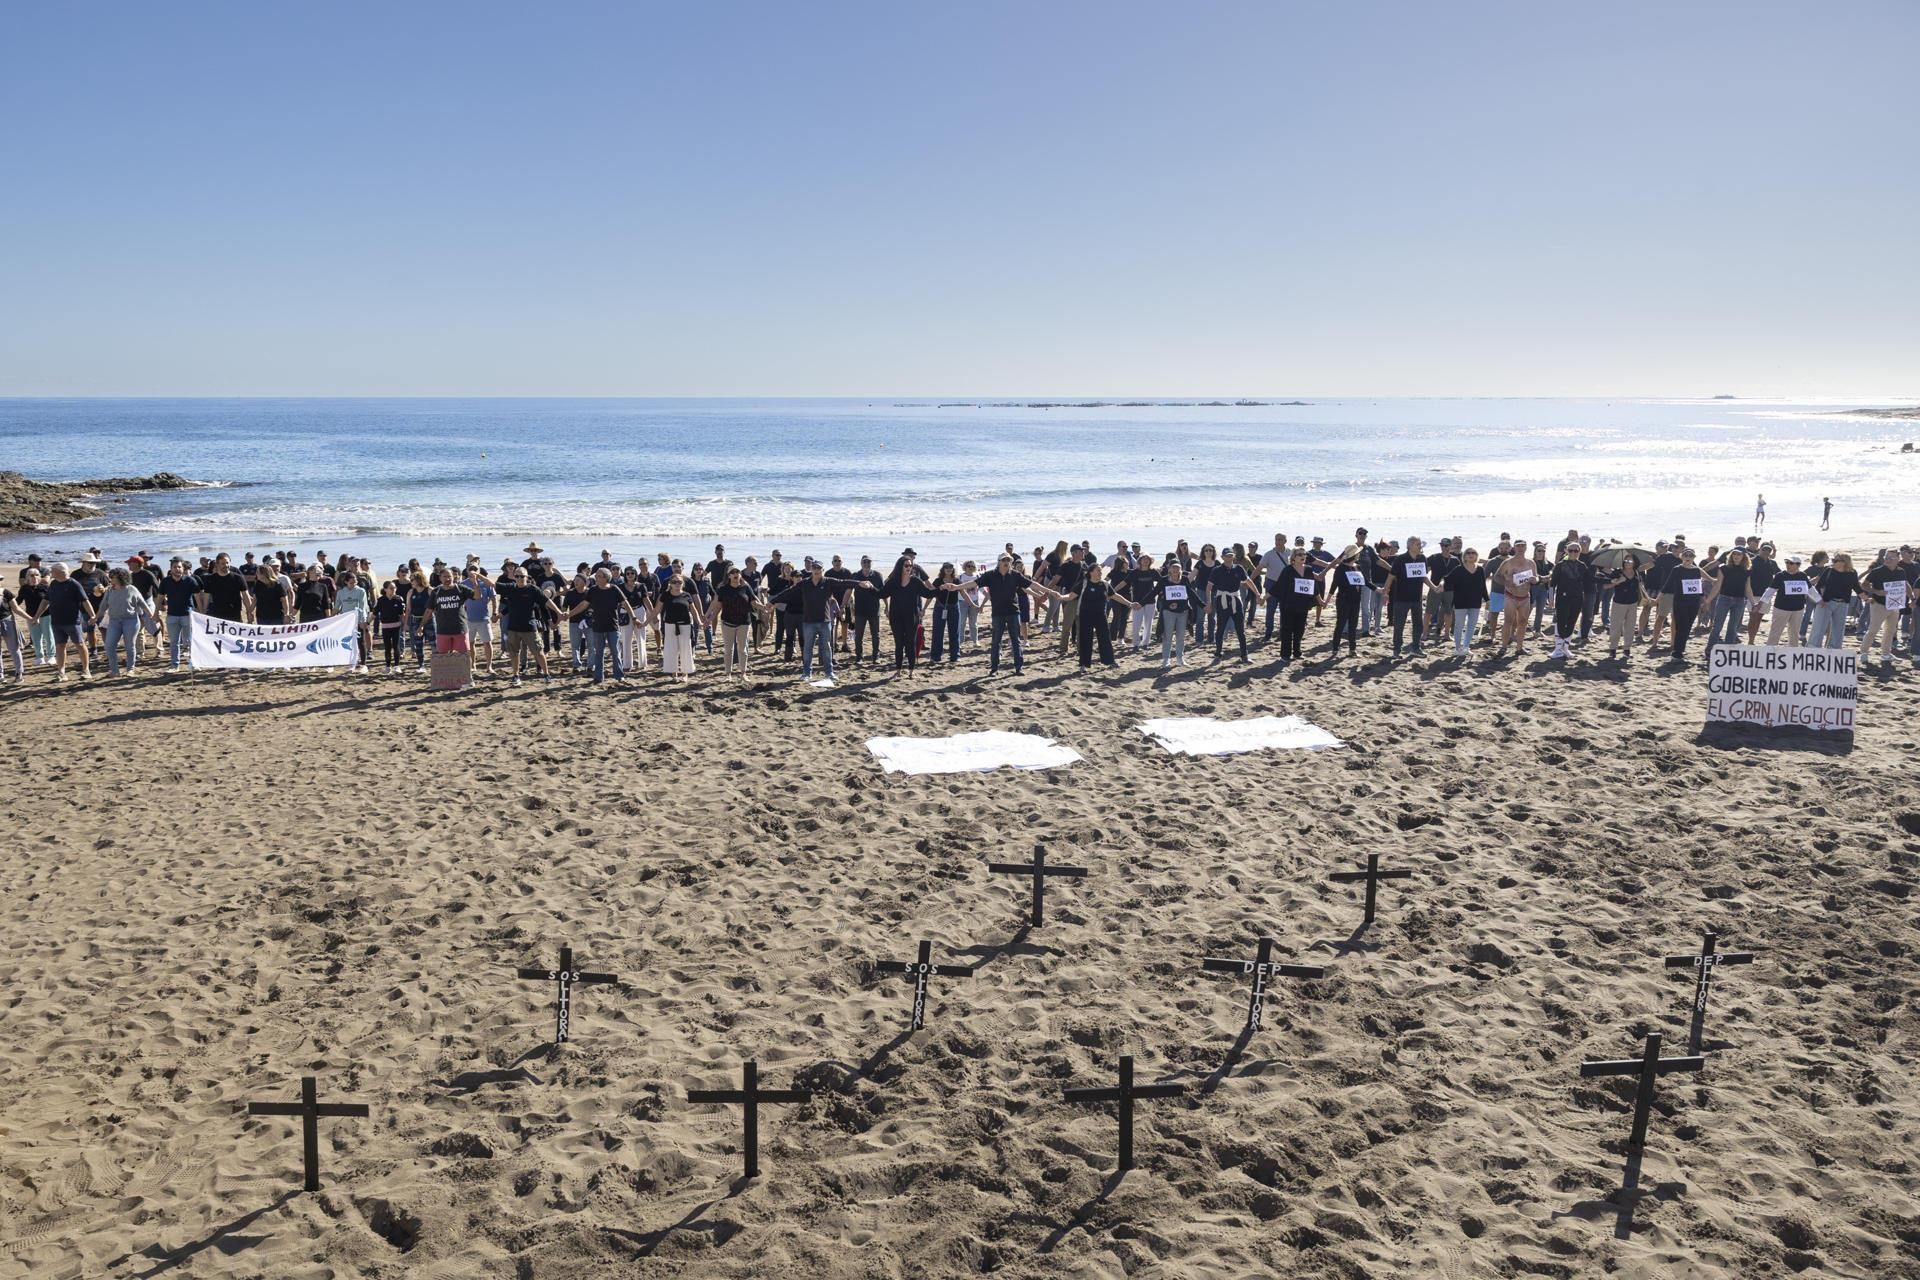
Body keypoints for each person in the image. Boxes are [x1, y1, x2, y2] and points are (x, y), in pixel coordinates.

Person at [975, 554, 1037, 675]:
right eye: (1004, 560)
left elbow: (1031, 584)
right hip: (997, 613)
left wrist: (1048, 591)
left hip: (1013, 612)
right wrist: (957, 587)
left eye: (1008, 560)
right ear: (999, 562)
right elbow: (974, 583)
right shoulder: (990, 575)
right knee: (996, 641)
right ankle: (994, 668)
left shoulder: (1015, 575)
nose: (1006, 562)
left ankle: (1019, 667)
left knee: (1016, 641)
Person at [498, 563, 558, 686]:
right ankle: (516, 675)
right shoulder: (511, 589)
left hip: (530, 627)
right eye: (517, 576)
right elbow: (508, 605)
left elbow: (546, 603)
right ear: (514, 577)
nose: (519, 578)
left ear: (527, 577)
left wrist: (557, 613)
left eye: (522, 576)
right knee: (514, 653)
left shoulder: (533, 590)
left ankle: (546, 674)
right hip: (513, 628)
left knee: (538, 651)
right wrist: (478, 576)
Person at [36, 562, 95, 682]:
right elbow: (46, 601)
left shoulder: (74, 584)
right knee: (60, 645)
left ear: (60, 572)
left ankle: (86, 670)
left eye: (53, 570)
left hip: (72, 621)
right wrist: (37, 615)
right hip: (56, 621)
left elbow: (85, 601)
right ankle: (61, 672)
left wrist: (92, 615)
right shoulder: (53, 584)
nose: (50, 573)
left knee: (80, 644)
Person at [99, 567, 155, 678]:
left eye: (113, 577)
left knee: (130, 646)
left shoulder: (131, 589)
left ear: (121, 578)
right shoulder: (110, 590)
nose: (110, 579)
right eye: (110, 577)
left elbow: (142, 602)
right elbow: (103, 605)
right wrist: (95, 617)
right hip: (114, 621)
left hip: (130, 620)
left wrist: (150, 614)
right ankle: (115, 671)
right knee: (109, 646)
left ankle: (130, 669)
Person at [708, 565, 760, 680]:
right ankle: (728, 674)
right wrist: (710, 619)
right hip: (727, 622)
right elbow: (718, 606)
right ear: (729, 576)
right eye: (733, 572)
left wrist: (764, 608)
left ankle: (743, 673)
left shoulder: (745, 587)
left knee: (743, 649)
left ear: (740, 575)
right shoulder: (723, 589)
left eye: (737, 572)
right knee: (728, 650)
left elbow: (753, 602)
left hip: (744, 622)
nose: (735, 574)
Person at [1386, 536, 1430, 658]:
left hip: (1417, 598)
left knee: (1418, 625)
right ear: (1410, 546)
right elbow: (1391, 576)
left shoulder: (1422, 558)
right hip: (1401, 598)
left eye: (1420, 544)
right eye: (1418, 544)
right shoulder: (1400, 559)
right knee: (1399, 625)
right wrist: (1385, 592)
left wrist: (1434, 587)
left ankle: (1416, 648)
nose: (1420, 546)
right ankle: (1396, 650)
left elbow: (1424, 577)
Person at [1704, 549, 1754, 654]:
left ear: (1743, 557)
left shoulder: (1747, 570)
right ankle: (1710, 650)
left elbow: (1748, 588)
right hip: (1724, 599)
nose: (1736, 556)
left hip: (1739, 601)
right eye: (1734, 554)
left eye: (1739, 554)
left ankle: (1727, 652)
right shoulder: (1723, 568)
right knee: (1717, 626)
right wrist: (1708, 600)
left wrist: (1753, 603)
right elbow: (1717, 586)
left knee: (1732, 628)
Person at [1272, 547, 1319, 661]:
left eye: (1304, 554)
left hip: (1303, 605)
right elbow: (1278, 586)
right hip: (1288, 605)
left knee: (1300, 629)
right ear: (1293, 557)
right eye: (1300, 554)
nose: (1303, 556)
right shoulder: (1287, 570)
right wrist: (1264, 597)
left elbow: (1314, 587)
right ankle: (1285, 655)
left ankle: (1297, 653)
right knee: (1287, 630)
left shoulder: (1308, 569)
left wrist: (1320, 601)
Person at [1547, 545, 1592, 660]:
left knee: (1572, 622)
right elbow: (1552, 584)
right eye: (1571, 550)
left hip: (1577, 598)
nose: (1573, 553)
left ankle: (1566, 648)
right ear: (1567, 551)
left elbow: (1590, 579)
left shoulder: (1582, 566)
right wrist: (1551, 600)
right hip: (1562, 598)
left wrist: (1609, 580)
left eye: (1576, 551)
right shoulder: (1560, 565)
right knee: (1561, 622)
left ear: (1579, 552)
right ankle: (1558, 649)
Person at [1444, 549, 1489, 657]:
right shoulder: (1459, 569)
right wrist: (1441, 586)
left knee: (1471, 626)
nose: (1470, 555)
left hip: (1475, 602)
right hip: (1460, 601)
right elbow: (1448, 580)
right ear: (1464, 557)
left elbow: (1483, 586)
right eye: (1468, 553)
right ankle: (1458, 648)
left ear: (1476, 556)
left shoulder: (1480, 570)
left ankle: (1466, 647)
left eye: (1473, 553)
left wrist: (1487, 599)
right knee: (1459, 625)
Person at [1861, 551, 1905, 663]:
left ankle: (1886, 654)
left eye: (1891, 557)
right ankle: (1864, 652)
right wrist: (1876, 592)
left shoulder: (1901, 571)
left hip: (1895, 605)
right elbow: (1864, 585)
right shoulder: (1877, 571)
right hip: (1879, 604)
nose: (1888, 559)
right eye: (1886, 557)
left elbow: (1904, 585)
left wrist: (1911, 597)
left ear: (1897, 559)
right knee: (1873, 630)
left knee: (1890, 631)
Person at [1599, 555, 1645, 661]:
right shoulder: (1617, 572)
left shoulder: (1637, 572)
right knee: (1616, 627)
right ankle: (1613, 650)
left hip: (1633, 603)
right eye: (1625, 560)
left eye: (1630, 561)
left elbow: (1641, 585)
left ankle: (1627, 649)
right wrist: (1618, 581)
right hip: (1619, 603)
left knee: (1630, 627)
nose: (1627, 562)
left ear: (1634, 563)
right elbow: (1605, 586)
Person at [1493, 545, 1535, 657]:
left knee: (1523, 622)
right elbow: (1497, 576)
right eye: (1518, 546)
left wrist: (1535, 580)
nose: (1520, 548)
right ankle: (1503, 647)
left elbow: (1536, 577)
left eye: (1523, 546)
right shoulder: (1508, 562)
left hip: (1525, 596)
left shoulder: (1531, 563)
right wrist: (1506, 583)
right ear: (1514, 548)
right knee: (1508, 621)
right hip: (1510, 596)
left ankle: (1519, 648)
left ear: (1526, 548)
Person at [1666, 548, 1707, 662]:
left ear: (1694, 558)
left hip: (1694, 602)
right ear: (1682, 557)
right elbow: (1667, 584)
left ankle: (1680, 650)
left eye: (1690, 555)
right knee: (1681, 626)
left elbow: (1698, 587)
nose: (1688, 557)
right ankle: (1677, 652)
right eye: (1686, 555)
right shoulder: (1677, 569)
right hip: (1680, 602)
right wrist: (1658, 599)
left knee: (1688, 627)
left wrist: (1704, 601)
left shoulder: (1696, 570)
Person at [658, 575, 698, 681]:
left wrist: (699, 622)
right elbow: (657, 609)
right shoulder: (665, 595)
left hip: (685, 625)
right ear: (670, 583)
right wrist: (646, 622)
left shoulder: (687, 595)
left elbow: (693, 610)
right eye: (674, 582)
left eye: (679, 582)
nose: (677, 584)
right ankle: (674, 673)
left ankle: (685, 674)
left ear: (682, 584)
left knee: (686, 649)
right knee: (671, 649)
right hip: (670, 625)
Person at [1156, 561, 1195, 668]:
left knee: (1181, 636)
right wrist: (1141, 603)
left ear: (1180, 570)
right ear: (1169, 569)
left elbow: (1192, 593)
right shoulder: (1164, 580)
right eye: (1173, 568)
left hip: (1183, 611)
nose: (1175, 570)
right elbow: (1154, 592)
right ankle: (1166, 660)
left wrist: (1203, 605)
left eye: (1177, 568)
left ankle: (1180, 659)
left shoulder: (1184, 579)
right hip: (1168, 612)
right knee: (1167, 636)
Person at [1767, 555, 1811, 646]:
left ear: (1798, 565)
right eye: (1787, 562)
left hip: (1798, 609)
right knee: (1775, 632)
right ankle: (1770, 649)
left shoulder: (1803, 576)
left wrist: (1820, 600)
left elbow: (1811, 590)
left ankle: (1793, 651)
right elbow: (1771, 590)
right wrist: (1761, 602)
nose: (1788, 564)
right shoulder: (1780, 575)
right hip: (1781, 609)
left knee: (1794, 633)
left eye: (1791, 563)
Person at [463, 566, 497, 675]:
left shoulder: (486, 583)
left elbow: (494, 598)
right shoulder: (463, 584)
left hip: (484, 618)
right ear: (467, 571)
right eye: (470, 569)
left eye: (475, 569)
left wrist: (494, 612)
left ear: (479, 571)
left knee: (487, 642)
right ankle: (473, 665)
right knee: (470, 643)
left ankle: (489, 666)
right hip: (468, 619)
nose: (473, 571)